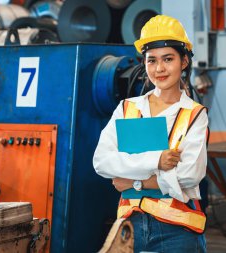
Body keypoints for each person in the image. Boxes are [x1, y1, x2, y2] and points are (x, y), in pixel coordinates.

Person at [93, 15, 208, 252]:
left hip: (177, 232)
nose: (159, 69)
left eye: (168, 59)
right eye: (151, 60)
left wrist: (133, 181)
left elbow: (189, 175)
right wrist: (157, 161)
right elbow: (102, 162)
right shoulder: (128, 108)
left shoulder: (194, 114)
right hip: (129, 226)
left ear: (184, 61)